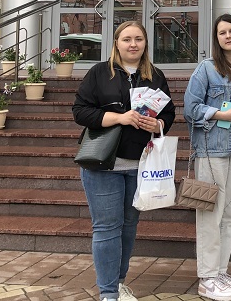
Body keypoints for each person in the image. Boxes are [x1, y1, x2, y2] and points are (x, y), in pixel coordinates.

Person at [72, 21, 175, 301]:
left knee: (128, 228)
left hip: (140, 165)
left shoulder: (155, 75)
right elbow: (80, 111)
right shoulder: (99, 73)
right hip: (104, 164)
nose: (133, 44)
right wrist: (120, 117)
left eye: (138, 39)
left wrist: (158, 125)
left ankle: (118, 284)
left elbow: (169, 113)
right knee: (107, 228)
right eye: (127, 39)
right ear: (116, 43)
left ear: (145, 43)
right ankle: (108, 293)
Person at [183, 14, 231, 301]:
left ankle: (220, 271)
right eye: (222, 32)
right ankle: (207, 278)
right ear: (216, 38)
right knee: (210, 215)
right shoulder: (207, 68)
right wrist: (220, 114)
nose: (228, 36)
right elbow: (190, 108)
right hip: (211, 149)